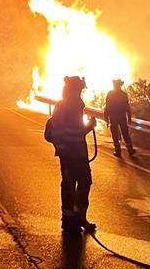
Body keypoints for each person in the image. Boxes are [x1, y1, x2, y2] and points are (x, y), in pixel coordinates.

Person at [45, 76, 97, 233]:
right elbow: (62, 131)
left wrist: (88, 126)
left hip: (78, 152)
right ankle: (68, 221)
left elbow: (77, 131)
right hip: (69, 154)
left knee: (84, 183)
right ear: (74, 89)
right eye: (79, 89)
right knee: (69, 186)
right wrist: (62, 150)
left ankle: (79, 217)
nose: (81, 92)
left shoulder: (75, 105)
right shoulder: (64, 106)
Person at [103, 79, 136, 157]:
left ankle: (118, 150)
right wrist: (129, 117)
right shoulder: (123, 94)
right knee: (124, 133)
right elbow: (127, 107)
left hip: (114, 117)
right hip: (120, 117)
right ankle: (129, 150)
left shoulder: (110, 94)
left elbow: (107, 107)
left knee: (116, 134)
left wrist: (106, 117)